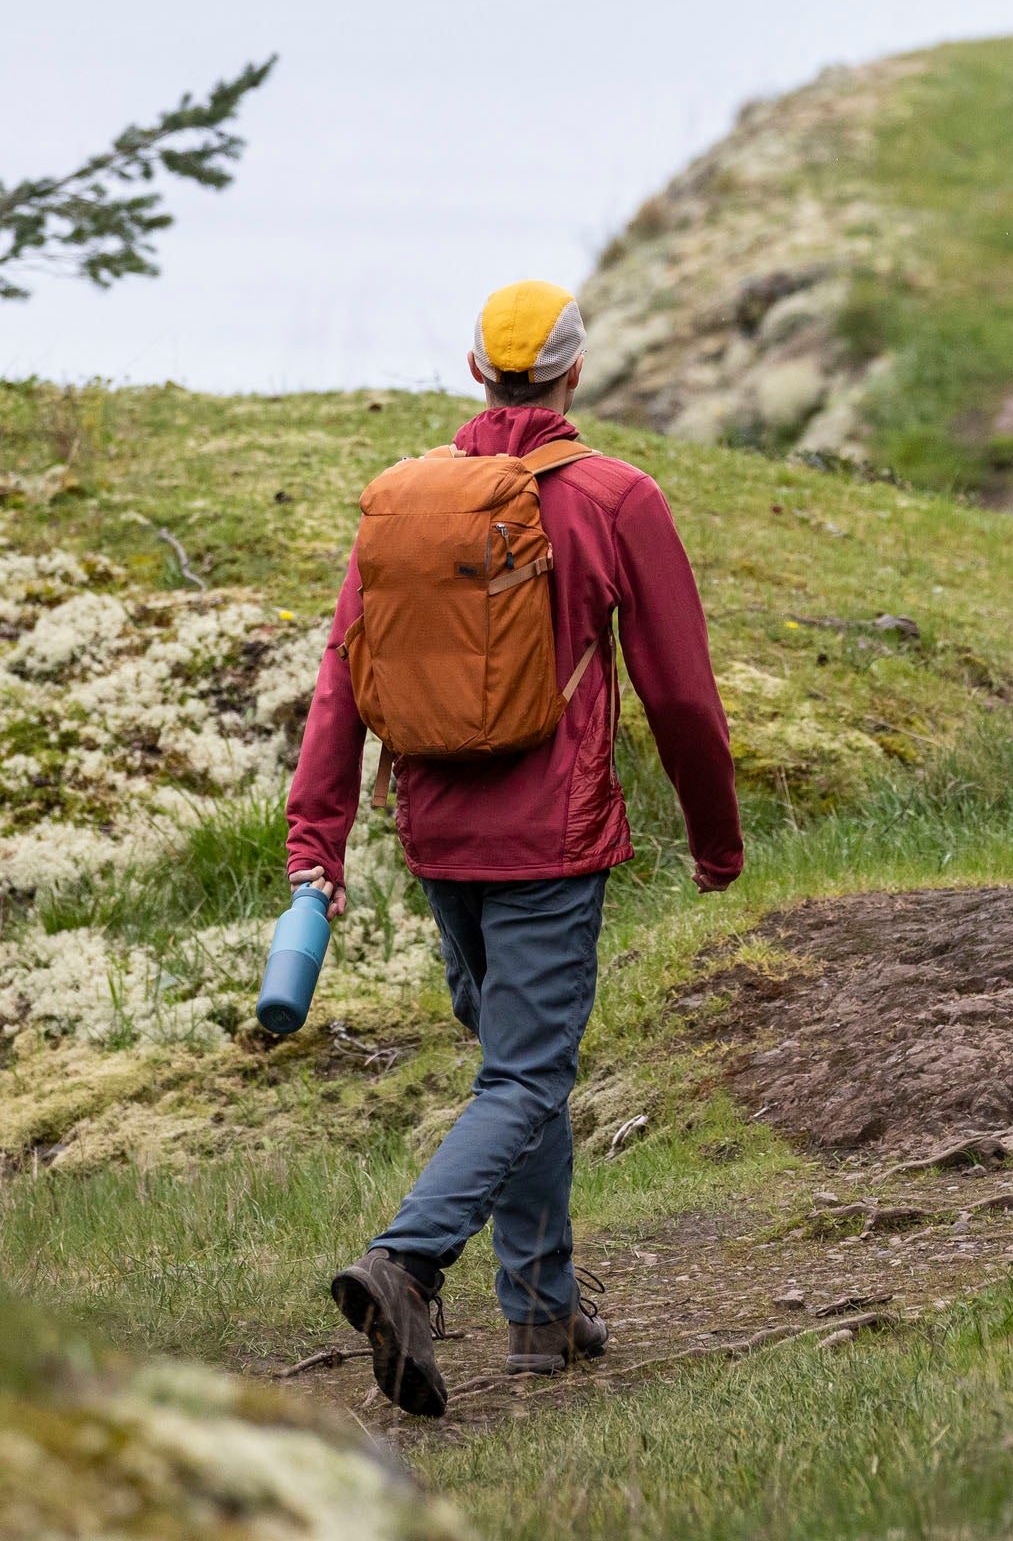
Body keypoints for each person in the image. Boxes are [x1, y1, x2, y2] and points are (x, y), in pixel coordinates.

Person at [286, 278, 743, 1417]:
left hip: (438, 837)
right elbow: (681, 694)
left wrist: (319, 837)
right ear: (574, 375)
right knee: (528, 1071)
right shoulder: (615, 494)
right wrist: (714, 838)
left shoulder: (405, 505)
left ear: (476, 372)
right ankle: (406, 1260)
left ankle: (542, 1309)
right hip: (551, 834)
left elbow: (341, 679)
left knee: (514, 1068)